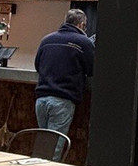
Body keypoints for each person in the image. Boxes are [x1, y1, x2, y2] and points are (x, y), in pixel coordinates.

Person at [34, 8, 95, 141]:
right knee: (54, 147)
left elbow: (37, 66)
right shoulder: (84, 42)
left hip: (41, 100)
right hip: (62, 99)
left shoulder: (47, 39)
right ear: (81, 24)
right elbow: (92, 70)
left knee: (43, 144)